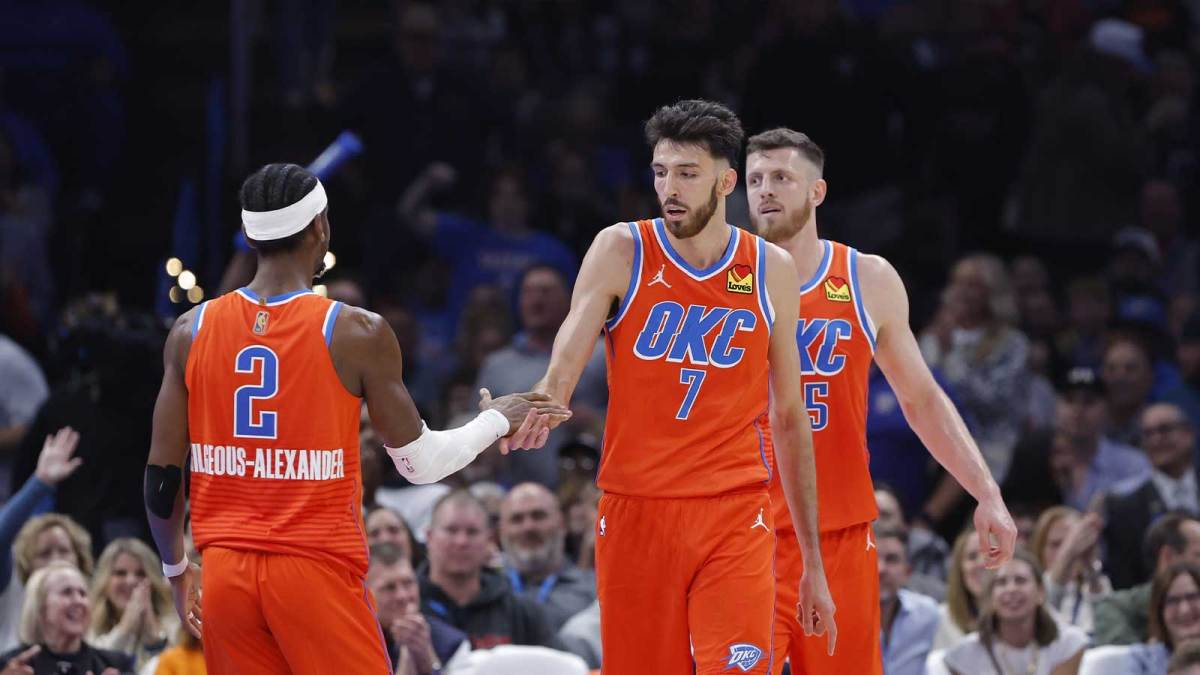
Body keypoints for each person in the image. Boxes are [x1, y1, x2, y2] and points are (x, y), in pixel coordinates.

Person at [142, 163, 568, 674]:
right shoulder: (353, 331)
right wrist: (497, 419)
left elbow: (163, 477)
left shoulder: (191, 329)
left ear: (252, 234)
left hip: (226, 573)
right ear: (320, 226)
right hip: (313, 570)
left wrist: (175, 568)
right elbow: (420, 464)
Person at [505, 100, 835, 674]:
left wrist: (811, 560)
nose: (670, 189)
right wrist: (535, 404)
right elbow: (564, 364)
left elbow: (790, 416)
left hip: (734, 511)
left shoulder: (770, 270)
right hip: (636, 511)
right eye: (661, 173)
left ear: (727, 181)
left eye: (687, 173)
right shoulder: (621, 248)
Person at [743, 128, 1015, 674]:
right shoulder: (718, 278)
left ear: (817, 191)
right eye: (754, 180)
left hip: (839, 533)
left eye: (781, 178)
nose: (765, 191)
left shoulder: (867, 278)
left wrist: (986, 492)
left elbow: (921, 398)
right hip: (743, 532)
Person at [418, 491, 556, 649]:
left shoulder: (522, 613)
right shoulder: (405, 605)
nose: (461, 541)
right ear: (429, 537)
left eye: (472, 532)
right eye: (451, 530)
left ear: (489, 540)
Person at [0, 428, 86, 651]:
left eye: (64, 551)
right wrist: (40, 482)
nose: (56, 560)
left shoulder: (86, 596)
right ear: (26, 562)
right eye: (44, 553)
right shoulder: (12, 588)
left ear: (79, 559)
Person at [938, 550, 1088, 675]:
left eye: (1020, 580)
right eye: (1001, 582)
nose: (1011, 589)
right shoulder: (964, 655)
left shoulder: (1068, 644)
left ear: (1041, 593)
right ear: (990, 598)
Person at [1104, 403, 1199, 589]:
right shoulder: (1124, 508)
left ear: (1189, 434)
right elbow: (1124, 582)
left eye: (1164, 430)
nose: (1156, 440)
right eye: (1148, 434)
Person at [0, 561, 133, 674]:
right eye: (66, 592)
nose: (79, 601)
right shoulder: (13, 666)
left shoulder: (116, 665)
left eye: (83, 594)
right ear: (40, 606)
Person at [497, 483, 595, 630]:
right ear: (501, 531)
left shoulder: (594, 591)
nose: (528, 527)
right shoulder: (482, 587)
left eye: (538, 516)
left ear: (562, 524)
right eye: (517, 519)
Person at [1080, 562, 1200, 674]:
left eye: (1192, 597)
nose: (1185, 610)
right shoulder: (1139, 663)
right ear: (1159, 610)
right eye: (1172, 601)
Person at [369, 542, 469, 674]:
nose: (402, 596)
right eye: (389, 587)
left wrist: (428, 662)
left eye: (408, 583)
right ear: (367, 593)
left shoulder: (451, 643)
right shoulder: (352, 644)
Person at [87, 538, 179, 669]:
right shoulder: (89, 626)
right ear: (104, 581)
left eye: (141, 574)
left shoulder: (174, 625)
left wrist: (153, 637)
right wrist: (125, 628)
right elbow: (94, 666)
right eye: (120, 573)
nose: (131, 581)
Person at [1031, 507, 1111, 632]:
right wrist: (1068, 555)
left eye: (1073, 542)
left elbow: (1108, 621)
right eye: (1056, 544)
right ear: (1040, 549)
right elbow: (1041, 614)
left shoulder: (1098, 584)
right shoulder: (1029, 588)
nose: (1072, 550)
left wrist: (1089, 564)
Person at [877, 526, 939, 675]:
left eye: (892, 559)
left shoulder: (927, 613)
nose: (880, 569)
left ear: (907, 572)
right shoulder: (840, 617)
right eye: (872, 557)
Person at [934, 529, 992, 650]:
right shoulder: (940, 619)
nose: (982, 563)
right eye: (972, 557)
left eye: (991, 553)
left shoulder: (1024, 616)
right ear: (959, 570)